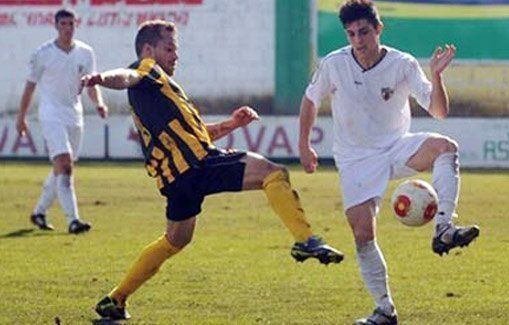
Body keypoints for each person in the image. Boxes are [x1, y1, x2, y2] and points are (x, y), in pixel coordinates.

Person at [80, 20, 344, 320]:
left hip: (178, 178)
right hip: (197, 166)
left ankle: (115, 299)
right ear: (148, 50)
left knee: (175, 240)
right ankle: (305, 240)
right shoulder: (147, 70)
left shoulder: (161, 91)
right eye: (169, 49)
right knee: (273, 173)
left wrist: (231, 125)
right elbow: (126, 76)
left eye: (175, 51)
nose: (175, 56)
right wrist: (101, 78)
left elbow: (196, 136)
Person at [298, 1, 480, 323]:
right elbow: (310, 100)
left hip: (397, 147)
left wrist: (436, 76)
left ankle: (444, 228)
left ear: (378, 29)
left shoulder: (402, 64)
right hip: (355, 160)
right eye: (351, 33)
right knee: (362, 235)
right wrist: (304, 144)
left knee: (446, 147)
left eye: (364, 32)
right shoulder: (334, 64)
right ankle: (384, 309)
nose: (358, 40)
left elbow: (438, 112)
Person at [16, 8, 107, 234]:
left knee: (62, 168)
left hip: (74, 116)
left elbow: (90, 85)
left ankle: (39, 212)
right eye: (64, 24)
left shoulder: (85, 53)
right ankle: (73, 220)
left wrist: (98, 104)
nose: (68, 28)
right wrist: (21, 117)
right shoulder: (43, 53)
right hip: (51, 114)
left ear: (76, 25)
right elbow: (30, 86)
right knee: (65, 164)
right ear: (56, 26)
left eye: (71, 24)